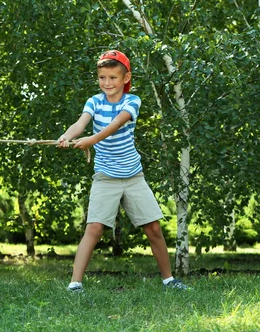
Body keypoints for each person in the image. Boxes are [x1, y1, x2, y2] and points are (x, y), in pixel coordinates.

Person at [57, 50, 189, 292]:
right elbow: (80, 123)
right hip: (106, 177)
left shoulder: (132, 101)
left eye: (113, 78)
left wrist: (91, 141)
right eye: (102, 78)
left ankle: (169, 281)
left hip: (133, 177)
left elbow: (116, 124)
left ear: (126, 78)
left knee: (153, 228)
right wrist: (67, 136)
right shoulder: (94, 102)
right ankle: (75, 284)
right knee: (94, 228)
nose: (107, 83)